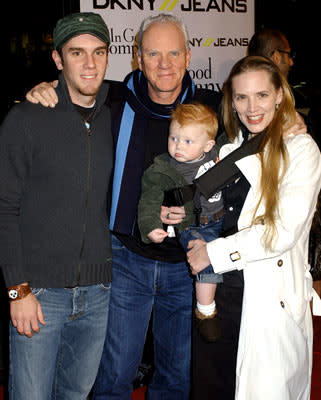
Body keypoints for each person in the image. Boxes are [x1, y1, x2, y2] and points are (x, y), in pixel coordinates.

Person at [25, 14, 308, 400]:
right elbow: (70, 92)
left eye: (174, 52)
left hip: (187, 264)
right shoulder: (114, 98)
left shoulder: (214, 107)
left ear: (189, 56)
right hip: (127, 259)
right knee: (113, 375)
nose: (164, 63)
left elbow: (255, 117)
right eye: (153, 53)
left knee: (176, 378)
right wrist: (44, 89)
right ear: (138, 58)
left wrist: (288, 119)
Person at [187, 55, 321, 399]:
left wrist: (212, 254)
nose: (252, 107)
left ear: (280, 94)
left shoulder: (301, 149)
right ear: (231, 101)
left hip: (267, 304)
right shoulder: (228, 150)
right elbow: (201, 205)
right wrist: (177, 220)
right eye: (242, 97)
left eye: (262, 95)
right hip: (217, 299)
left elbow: (283, 230)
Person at [0, 12, 113, 400]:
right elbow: (4, 208)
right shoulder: (26, 118)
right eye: (77, 53)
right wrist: (17, 289)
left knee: (76, 396)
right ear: (58, 60)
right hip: (39, 293)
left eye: (99, 52)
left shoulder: (116, 114)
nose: (90, 64)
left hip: (98, 292)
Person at [138, 102, 224, 342]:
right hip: (193, 228)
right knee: (204, 260)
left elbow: (243, 140)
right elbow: (149, 200)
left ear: (208, 145)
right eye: (173, 138)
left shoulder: (219, 154)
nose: (178, 146)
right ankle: (206, 311)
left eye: (188, 141)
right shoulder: (162, 170)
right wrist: (151, 226)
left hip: (221, 222)